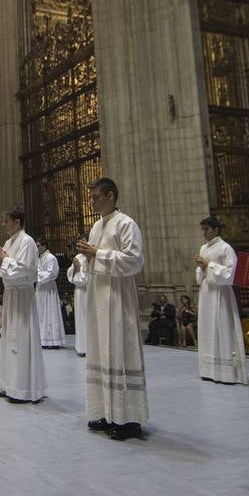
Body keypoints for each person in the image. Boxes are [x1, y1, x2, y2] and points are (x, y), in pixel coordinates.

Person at [76, 177, 148, 441]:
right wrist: (85, 257)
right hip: (98, 295)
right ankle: (106, 411)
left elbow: (134, 260)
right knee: (101, 350)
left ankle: (128, 418)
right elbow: (94, 258)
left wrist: (97, 254)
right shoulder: (96, 226)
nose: (91, 201)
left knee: (119, 349)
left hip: (118, 298)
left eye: (95, 196)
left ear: (111, 196)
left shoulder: (126, 223)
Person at [0, 207, 44, 403]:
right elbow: (2, 269)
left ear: (17, 222)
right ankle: (9, 384)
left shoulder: (27, 241)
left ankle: (23, 388)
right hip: (10, 295)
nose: (3, 224)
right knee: (9, 341)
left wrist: (4, 260)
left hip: (22, 296)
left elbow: (24, 269)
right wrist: (1, 262)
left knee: (22, 340)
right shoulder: (9, 241)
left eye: (6, 220)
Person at [194, 216, 247, 384]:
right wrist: (202, 268)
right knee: (207, 329)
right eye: (202, 230)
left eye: (206, 229)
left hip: (220, 294)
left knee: (221, 327)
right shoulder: (203, 248)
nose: (204, 233)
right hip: (206, 292)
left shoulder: (226, 248)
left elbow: (231, 274)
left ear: (216, 229)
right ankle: (208, 370)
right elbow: (199, 273)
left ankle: (226, 372)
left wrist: (208, 265)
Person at [34, 241, 66, 349]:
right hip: (40, 289)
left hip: (49, 288)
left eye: (38, 246)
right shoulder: (37, 259)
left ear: (44, 246)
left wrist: (36, 275)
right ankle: (42, 340)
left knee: (50, 311)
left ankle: (53, 340)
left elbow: (52, 273)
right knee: (41, 313)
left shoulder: (51, 258)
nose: (37, 248)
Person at [67, 252, 90, 357]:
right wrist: (75, 268)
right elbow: (70, 275)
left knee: (89, 318)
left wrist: (80, 268)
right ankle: (82, 347)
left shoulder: (91, 256)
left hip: (89, 290)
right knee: (80, 318)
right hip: (79, 292)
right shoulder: (78, 256)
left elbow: (87, 278)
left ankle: (91, 348)